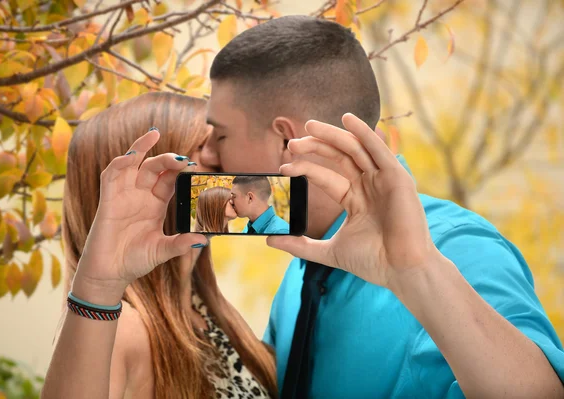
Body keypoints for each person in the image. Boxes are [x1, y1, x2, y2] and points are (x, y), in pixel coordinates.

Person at [200, 15, 564, 398]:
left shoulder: (461, 250)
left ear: (284, 140)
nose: (208, 152)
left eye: (220, 134)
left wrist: (417, 271)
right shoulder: (300, 275)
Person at [42, 92, 277, 398]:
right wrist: (97, 288)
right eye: (205, 146)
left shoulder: (204, 310)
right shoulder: (122, 328)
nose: (226, 161)